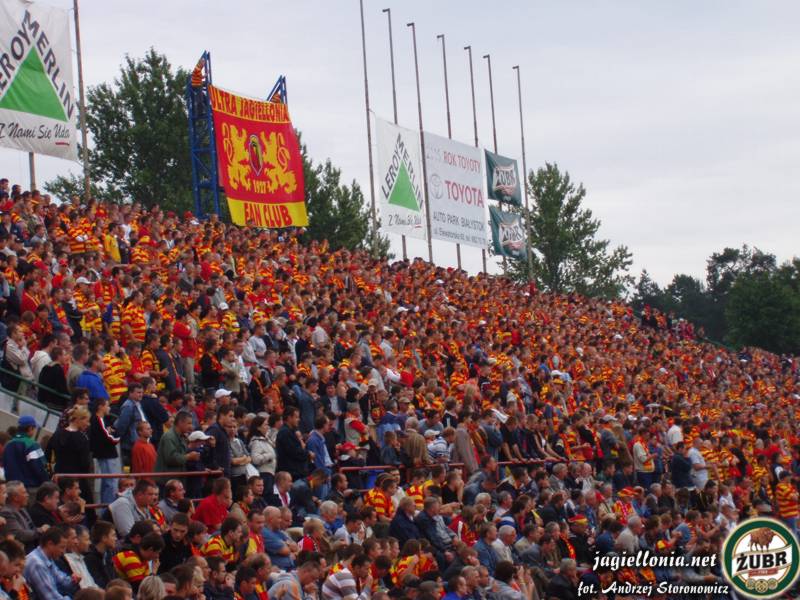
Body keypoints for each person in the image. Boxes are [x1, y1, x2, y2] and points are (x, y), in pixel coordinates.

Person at [23, 527, 80, 600]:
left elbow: (63, 581)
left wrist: (74, 580)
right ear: (50, 544)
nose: (63, 552)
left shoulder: (47, 558)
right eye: (62, 547)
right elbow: (51, 598)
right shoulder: (37, 564)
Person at [3, 416, 49, 487]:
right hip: (29, 488)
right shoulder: (33, 445)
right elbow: (41, 467)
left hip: (10, 487)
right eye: (34, 428)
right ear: (30, 428)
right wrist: (47, 481)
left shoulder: (8, 444)